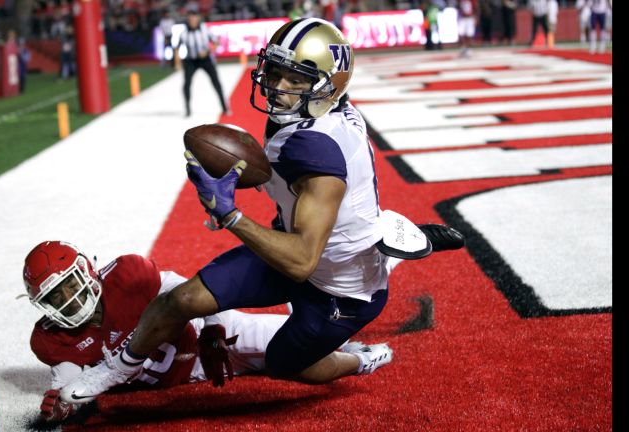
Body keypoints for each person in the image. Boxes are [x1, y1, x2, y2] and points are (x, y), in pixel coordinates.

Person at [59, 18, 465, 404]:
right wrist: (239, 176)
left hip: (340, 286)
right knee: (180, 300)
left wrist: (230, 214)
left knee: (285, 364)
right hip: (314, 238)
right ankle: (116, 369)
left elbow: (303, 261)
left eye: (296, 79)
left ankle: (362, 357)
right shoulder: (316, 111)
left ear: (329, 87)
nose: (277, 88)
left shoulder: (317, 150)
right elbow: (285, 177)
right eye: (274, 72)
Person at [20, 241, 394, 422]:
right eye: (55, 296)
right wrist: (62, 406)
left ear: (87, 272)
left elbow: (190, 295)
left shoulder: (128, 276)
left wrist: (213, 328)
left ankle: (355, 354)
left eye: (68, 285)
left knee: (301, 356)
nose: (67, 300)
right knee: (296, 364)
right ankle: (357, 357)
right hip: (189, 375)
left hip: (215, 334)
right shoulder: (52, 339)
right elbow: (67, 381)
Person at [174, 9, 230, 117]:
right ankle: (188, 109)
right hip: (191, 60)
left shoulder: (205, 29)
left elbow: (216, 42)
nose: (192, 21)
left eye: (194, 18)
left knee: (216, 82)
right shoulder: (184, 33)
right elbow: (176, 48)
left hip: (206, 59)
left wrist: (208, 51)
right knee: (186, 84)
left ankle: (225, 108)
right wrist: (177, 62)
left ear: (198, 18)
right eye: (190, 19)